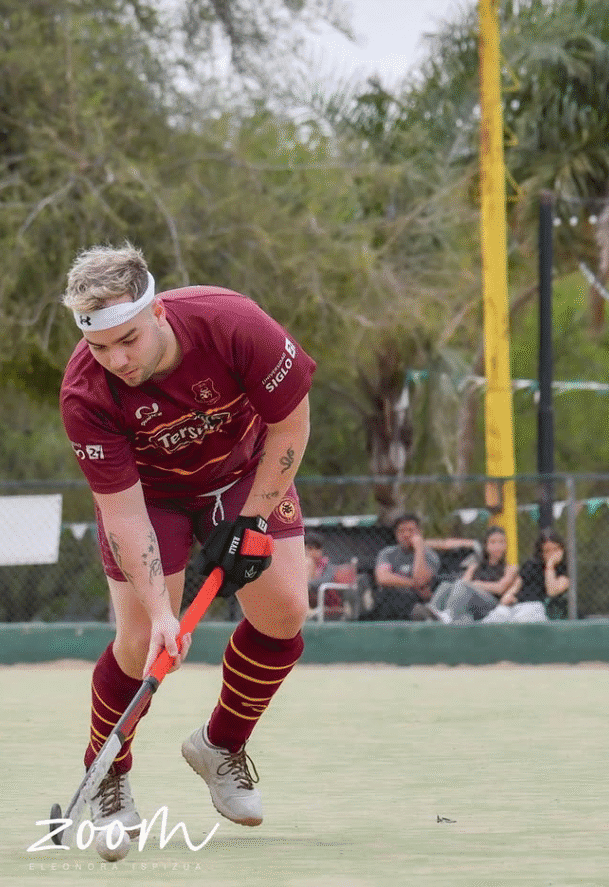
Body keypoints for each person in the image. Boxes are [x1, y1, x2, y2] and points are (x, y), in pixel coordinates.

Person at [59, 243, 315, 833]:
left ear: (159, 312)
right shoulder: (85, 394)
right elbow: (123, 514)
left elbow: (291, 424)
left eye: (128, 340)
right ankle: (108, 771)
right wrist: (161, 615)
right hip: (151, 497)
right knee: (142, 643)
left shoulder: (233, 323)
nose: (117, 360)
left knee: (285, 611)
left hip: (243, 471)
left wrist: (252, 521)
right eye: (100, 347)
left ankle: (219, 745)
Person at [427, 526, 519, 623]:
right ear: (486, 546)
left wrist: (476, 585)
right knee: (446, 586)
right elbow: (464, 582)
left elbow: (500, 588)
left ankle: (448, 615)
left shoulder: (510, 568)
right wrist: (472, 585)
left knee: (463, 586)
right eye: (493, 542)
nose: (497, 546)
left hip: (491, 604)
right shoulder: (475, 566)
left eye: (501, 542)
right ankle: (430, 614)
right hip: (471, 604)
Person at [364, 513, 441, 621]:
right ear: (396, 534)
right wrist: (414, 584)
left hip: (417, 602)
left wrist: (419, 549)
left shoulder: (429, 555)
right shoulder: (387, 553)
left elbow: (421, 580)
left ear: (419, 532)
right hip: (390, 602)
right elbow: (382, 578)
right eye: (401, 531)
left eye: (411, 530)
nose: (406, 534)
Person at [482, 529, 570, 623]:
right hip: (517, 604)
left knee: (521, 618)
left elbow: (552, 591)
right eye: (547, 551)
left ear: (562, 549)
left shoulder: (564, 571)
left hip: (538, 607)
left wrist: (550, 565)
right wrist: (507, 596)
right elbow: (518, 583)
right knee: (495, 617)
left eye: (555, 549)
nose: (552, 554)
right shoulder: (532, 565)